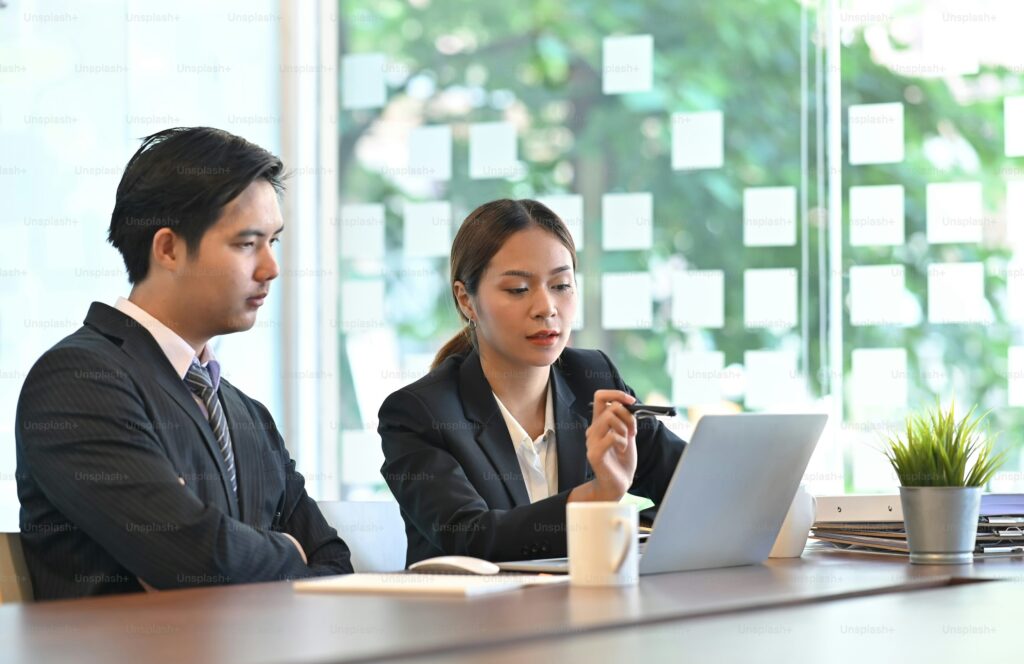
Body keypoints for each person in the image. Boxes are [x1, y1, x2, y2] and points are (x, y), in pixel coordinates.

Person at [15, 127, 352, 600]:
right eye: (246, 244)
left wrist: (251, 551)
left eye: (274, 241)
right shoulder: (79, 380)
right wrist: (289, 551)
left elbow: (335, 563)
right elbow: (196, 562)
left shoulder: (245, 411)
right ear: (169, 248)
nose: (271, 268)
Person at [378, 198, 686, 565]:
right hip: (471, 619)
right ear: (467, 301)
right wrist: (598, 498)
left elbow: (696, 487)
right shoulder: (418, 413)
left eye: (561, 285)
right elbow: (472, 537)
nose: (546, 307)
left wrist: (631, 532)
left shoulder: (592, 379)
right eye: (518, 290)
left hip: (586, 613)